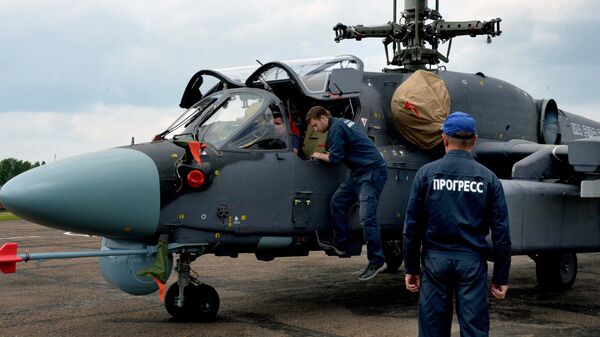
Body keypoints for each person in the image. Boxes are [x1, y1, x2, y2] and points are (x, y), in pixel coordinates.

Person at [403, 111, 511, 337]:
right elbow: (501, 232)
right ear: (474, 140)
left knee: (432, 330)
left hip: (435, 261)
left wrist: (412, 268)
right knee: (474, 331)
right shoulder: (489, 178)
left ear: (443, 138)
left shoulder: (426, 174)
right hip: (471, 262)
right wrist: (501, 276)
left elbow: (412, 227)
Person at [306, 106, 388, 281]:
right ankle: (341, 244)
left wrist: (318, 155)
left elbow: (335, 159)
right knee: (338, 201)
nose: (315, 130)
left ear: (322, 117)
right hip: (358, 173)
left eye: (315, 125)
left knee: (367, 218)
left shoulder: (336, 128)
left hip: (372, 173)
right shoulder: (341, 123)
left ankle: (376, 260)